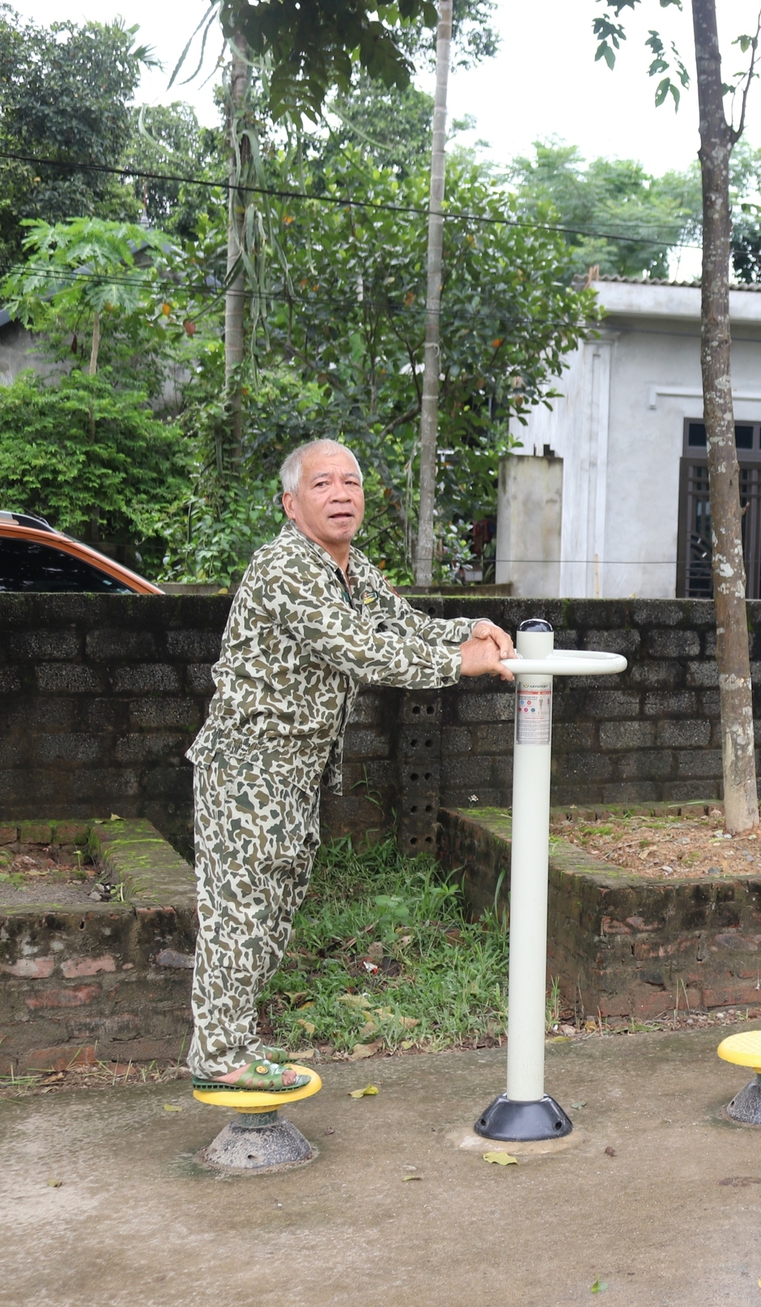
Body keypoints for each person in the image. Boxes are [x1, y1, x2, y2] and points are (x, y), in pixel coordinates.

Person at [184, 439, 517, 1092]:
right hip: (248, 771)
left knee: (271, 915)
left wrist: (469, 628)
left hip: (292, 774)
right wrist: (459, 664)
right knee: (242, 911)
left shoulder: (346, 565)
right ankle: (218, 1054)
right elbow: (358, 649)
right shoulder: (286, 567)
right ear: (291, 502)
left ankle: (236, 1039)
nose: (342, 494)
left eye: (351, 483)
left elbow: (399, 622)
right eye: (322, 484)